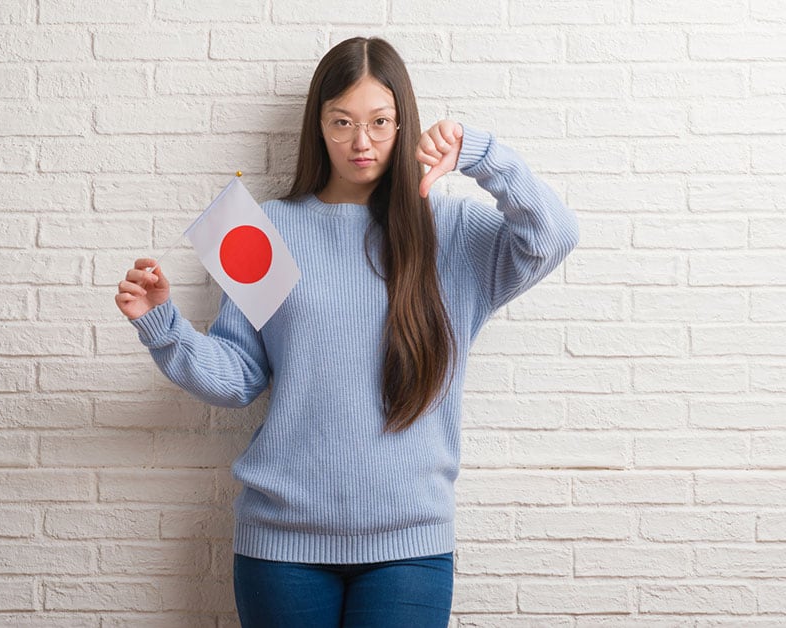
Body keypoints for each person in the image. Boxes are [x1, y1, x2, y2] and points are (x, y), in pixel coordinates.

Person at [115, 36, 579, 628]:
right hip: (280, 544)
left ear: (402, 122)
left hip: (410, 545)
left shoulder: (452, 230)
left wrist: (481, 154)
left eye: (380, 122)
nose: (362, 143)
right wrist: (163, 325)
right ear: (319, 126)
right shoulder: (267, 228)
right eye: (342, 123)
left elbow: (553, 235)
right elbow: (238, 376)